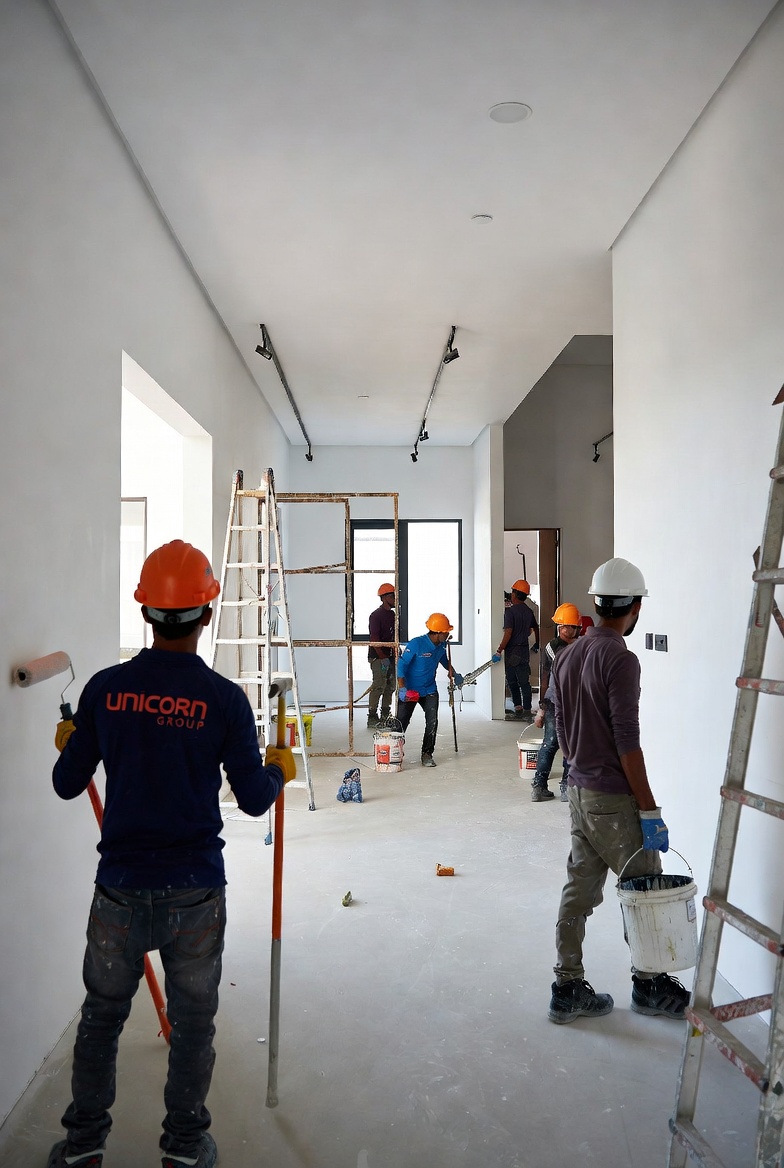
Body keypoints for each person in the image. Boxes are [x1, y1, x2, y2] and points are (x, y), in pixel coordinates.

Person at [48, 540, 296, 1168]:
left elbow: (66, 783)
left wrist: (74, 742)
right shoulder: (224, 701)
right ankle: (184, 1147)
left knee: (100, 1020)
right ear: (206, 616)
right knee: (192, 1026)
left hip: (120, 890)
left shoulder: (105, 692)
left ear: (146, 614)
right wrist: (279, 771)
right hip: (194, 892)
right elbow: (254, 800)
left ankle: (82, 1148)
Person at [547, 557, 688, 1025]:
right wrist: (648, 809)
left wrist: (580, 772)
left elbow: (562, 731)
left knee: (579, 888)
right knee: (644, 887)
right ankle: (648, 985)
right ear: (635, 608)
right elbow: (628, 742)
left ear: (597, 602)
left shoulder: (566, 655)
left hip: (578, 792)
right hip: (612, 798)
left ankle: (566, 987)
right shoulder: (621, 659)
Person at [396, 613, 462, 767]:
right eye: (446, 632)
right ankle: (395, 751)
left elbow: (444, 661)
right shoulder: (416, 644)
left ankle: (427, 754)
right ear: (438, 633)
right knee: (401, 723)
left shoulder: (441, 646)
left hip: (429, 689)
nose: (447, 635)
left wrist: (454, 672)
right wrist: (402, 688)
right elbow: (401, 665)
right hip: (410, 691)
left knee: (432, 722)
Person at [532, 602, 581, 803]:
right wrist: (541, 709)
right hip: (557, 703)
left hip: (572, 703)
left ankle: (556, 787)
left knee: (563, 744)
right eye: (572, 626)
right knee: (555, 744)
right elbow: (545, 678)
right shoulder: (554, 648)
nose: (574, 630)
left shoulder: (578, 645)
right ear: (563, 627)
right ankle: (544, 787)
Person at [496, 579, 539, 722]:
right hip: (524, 651)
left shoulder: (510, 612)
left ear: (514, 594)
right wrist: (536, 642)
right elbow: (534, 628)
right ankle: (527, 710)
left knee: (512, 682)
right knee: (524, 682)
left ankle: (518, 709)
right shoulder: (528, 611)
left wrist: (499, 649)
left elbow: (508, 633)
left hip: (512, 651)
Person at [367, 582, 396, 728]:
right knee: (379, 685)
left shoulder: (393, 615)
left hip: (390, 656)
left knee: (390, 686)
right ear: (384, 598)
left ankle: (385, 713)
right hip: (378, 657)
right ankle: (372, 716)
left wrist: (395, 653)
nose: (395, 599)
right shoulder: (376, 616)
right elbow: (374, 639)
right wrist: (383, 657)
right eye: (392, 596)